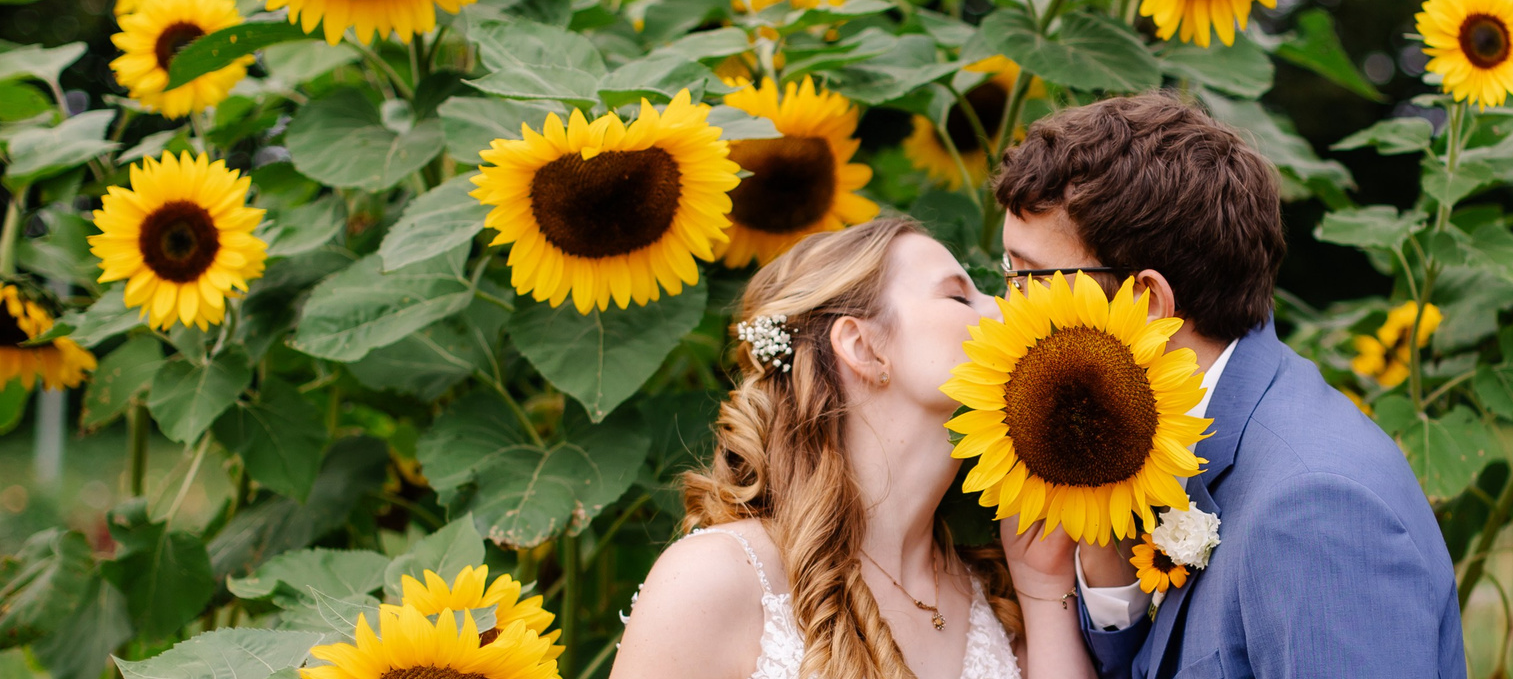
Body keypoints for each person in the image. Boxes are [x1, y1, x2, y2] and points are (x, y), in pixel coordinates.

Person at [992, 93, 1466, 679]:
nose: (1003, 310)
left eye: (1026, 278)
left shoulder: (1315, 509)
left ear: (1146, 302)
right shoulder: (1182, 432)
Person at [612, 217, 1099, 679]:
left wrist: (1041, 590)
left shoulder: (995, 584)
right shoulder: (715, 580)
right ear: (863, 347)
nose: (1006, 306)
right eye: (959, 296)